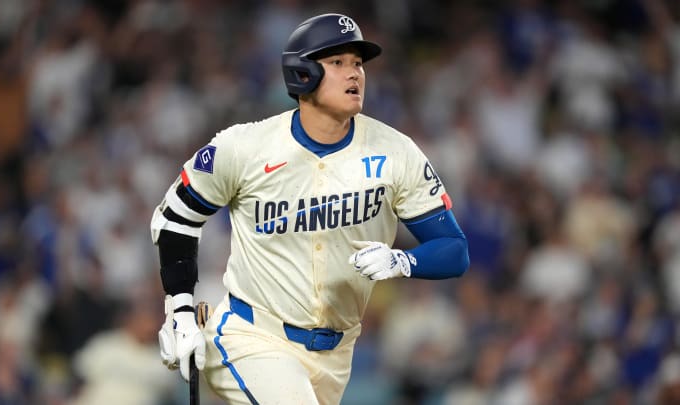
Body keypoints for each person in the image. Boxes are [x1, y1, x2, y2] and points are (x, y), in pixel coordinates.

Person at [150, 13, 470, 405]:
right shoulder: (246, 147)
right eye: (337, 63)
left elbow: (454, 249)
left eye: (357, 63)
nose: (354, 73)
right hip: (251, 335)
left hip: (336, 355)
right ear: (302, 74)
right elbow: (176, 218)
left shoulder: (395, 151)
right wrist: (179, 307)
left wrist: (403, 261)